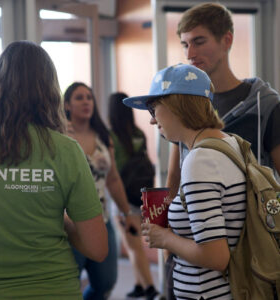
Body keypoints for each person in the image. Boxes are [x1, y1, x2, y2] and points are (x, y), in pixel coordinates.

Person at [164, 3, 280, 298]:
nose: (190, 54)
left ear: (226, 40)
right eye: (185, 44)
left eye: (199, 41)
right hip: (195, 261)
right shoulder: (186, 105)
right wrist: (167, 242)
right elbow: (174, 178)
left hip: (251, 255)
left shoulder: (265, 105)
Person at [0, 40, 108, 300]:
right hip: (54, 289)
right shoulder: (65, 150)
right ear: (50, 91)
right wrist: (57, 219)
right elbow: (97, 248)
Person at [124, 63, 247, 300]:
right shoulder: (229, 143)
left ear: (176, 105)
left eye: (153, 109)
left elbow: (215, 256)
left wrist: (165, 238)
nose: (151, 121)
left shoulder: (200, 160)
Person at [64, 83, 138, 300]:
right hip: (70, 221)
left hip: (101, 218)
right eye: (79, 98)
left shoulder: (103, 136)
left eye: (89, 97)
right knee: (70, 282)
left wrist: (127, 213)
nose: (86, 101)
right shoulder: (60, 135)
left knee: (106, 282)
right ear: (67, 104)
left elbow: (113, 179)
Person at [108, 92, 160, 300]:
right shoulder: (138, 133)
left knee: (134, 245)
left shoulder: (111, 137)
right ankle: (139, 284)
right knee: (134, 242)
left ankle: (150, 289)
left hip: (122, 198)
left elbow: (112, 172)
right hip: (140, 195)